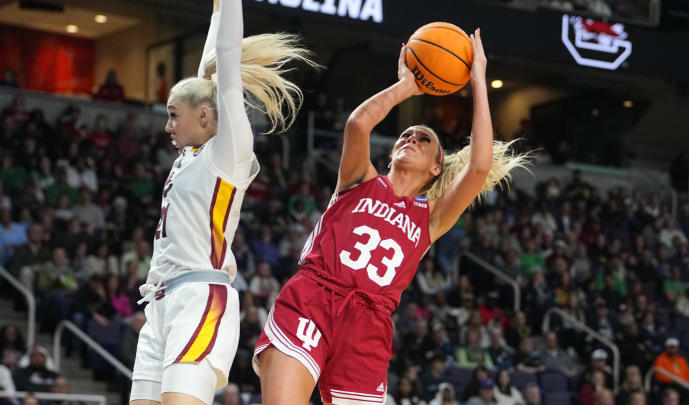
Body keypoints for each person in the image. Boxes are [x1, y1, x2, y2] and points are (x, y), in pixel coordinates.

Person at [253, 29, 529, 405]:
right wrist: (405, 87)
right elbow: (358, 125)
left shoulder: (431, 216)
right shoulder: (359, 179)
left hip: (369, 322)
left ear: (436, 168)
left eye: (423, 138)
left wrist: (478, 78)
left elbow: (479, 167)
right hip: (312, 299)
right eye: (405, 135)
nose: (410, 138)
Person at [128, 0, 317, 404]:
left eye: (172, 115)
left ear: (203, 116)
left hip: (200, 297)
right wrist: (216, 12)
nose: (167, 125)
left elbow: (227, 68)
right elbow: (206, 78)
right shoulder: (189, 155)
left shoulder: (228, 153)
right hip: (160, 303)